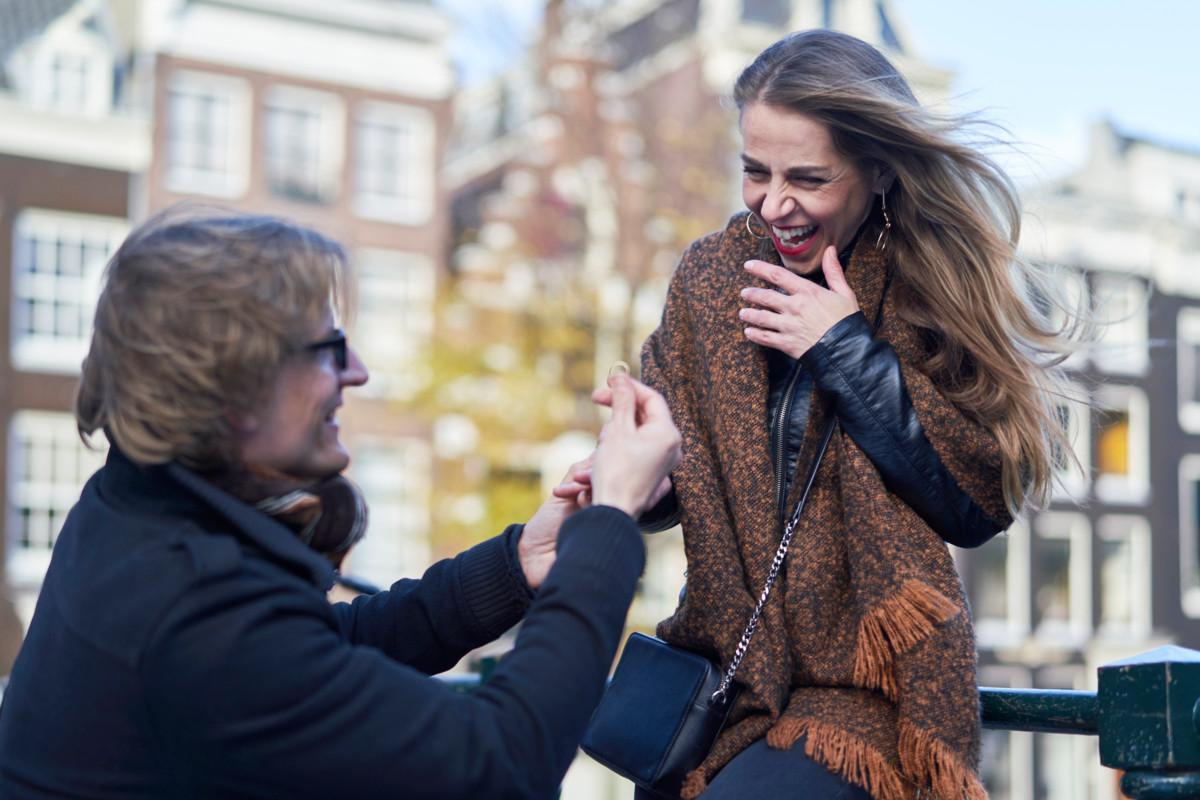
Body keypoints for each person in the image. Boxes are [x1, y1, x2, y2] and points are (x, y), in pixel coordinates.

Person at [0, 207, 682, 799]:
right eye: (328, 349)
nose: (356, 371)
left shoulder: (136, 511)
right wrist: (609, 525)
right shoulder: (190, 602)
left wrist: (519, 566)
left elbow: (318, 657)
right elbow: (502, 764)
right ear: (237, 388)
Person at [620, 29, 1075, 800]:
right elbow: (676, 469)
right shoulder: (706, 277)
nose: (774, 203)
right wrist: (635, 473)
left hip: (860, 691)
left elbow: (976, 499)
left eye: (809, 178)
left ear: (880, 170)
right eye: (754, 172)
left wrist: (844, 348)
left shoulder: (931, 285)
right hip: (721, 677)